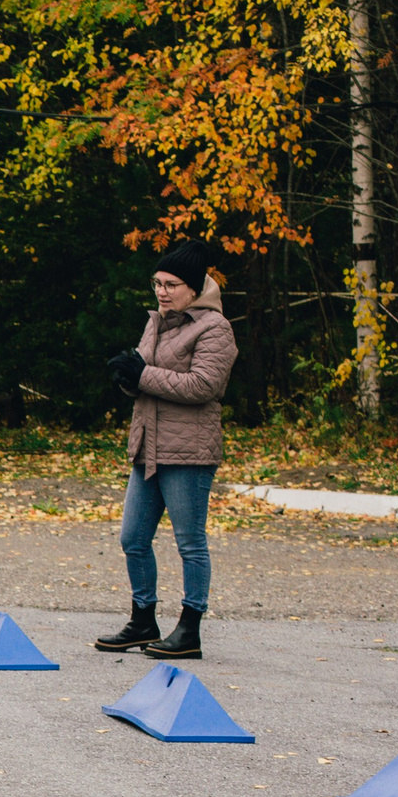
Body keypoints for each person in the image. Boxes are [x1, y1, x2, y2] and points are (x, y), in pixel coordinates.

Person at [96, 241, 235, 661]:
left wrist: (144, 374)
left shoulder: (215, 328)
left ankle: (189, 629)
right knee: (133, 538)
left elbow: (204, 386)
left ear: (193, 288)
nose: (162, 291)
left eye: (171, 284)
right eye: (157, 283)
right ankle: (143, 620)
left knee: (190, 543)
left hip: (189, 451)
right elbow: (145, 378)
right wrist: (127, 375)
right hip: (148, 445)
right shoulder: (156, 322)